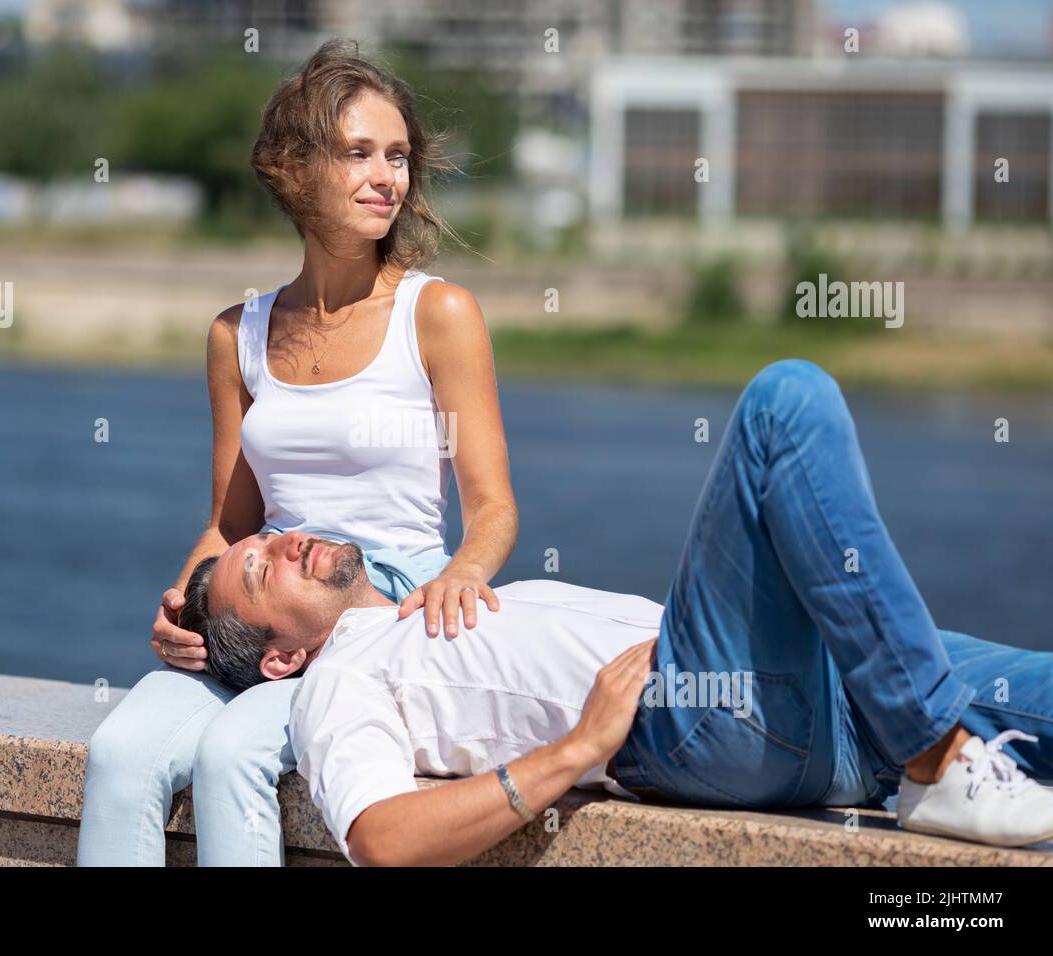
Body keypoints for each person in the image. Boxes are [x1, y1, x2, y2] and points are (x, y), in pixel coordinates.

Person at [184, 358, 1053, 866]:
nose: (287, 542)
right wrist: (575, 752)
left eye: (276, 535)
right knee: (784, 403)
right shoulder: (340, 682)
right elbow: (382, 840)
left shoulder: (423, 601)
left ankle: (932, 752)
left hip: (827, 695)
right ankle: (939, 762)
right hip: (694, 717)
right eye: (261, 573)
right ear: (278, 660)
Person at [77, 39, 518, 866]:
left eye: (397, 157)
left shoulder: (440, 314)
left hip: (379, 611)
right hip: (263, 601)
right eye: (359, 154)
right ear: (294, 167)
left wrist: (462, 574)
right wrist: (184, 604)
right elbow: (228, 524)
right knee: (121, 753)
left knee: (233, 753)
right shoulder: (235, 336)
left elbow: (493, 507)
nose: (387, 177)